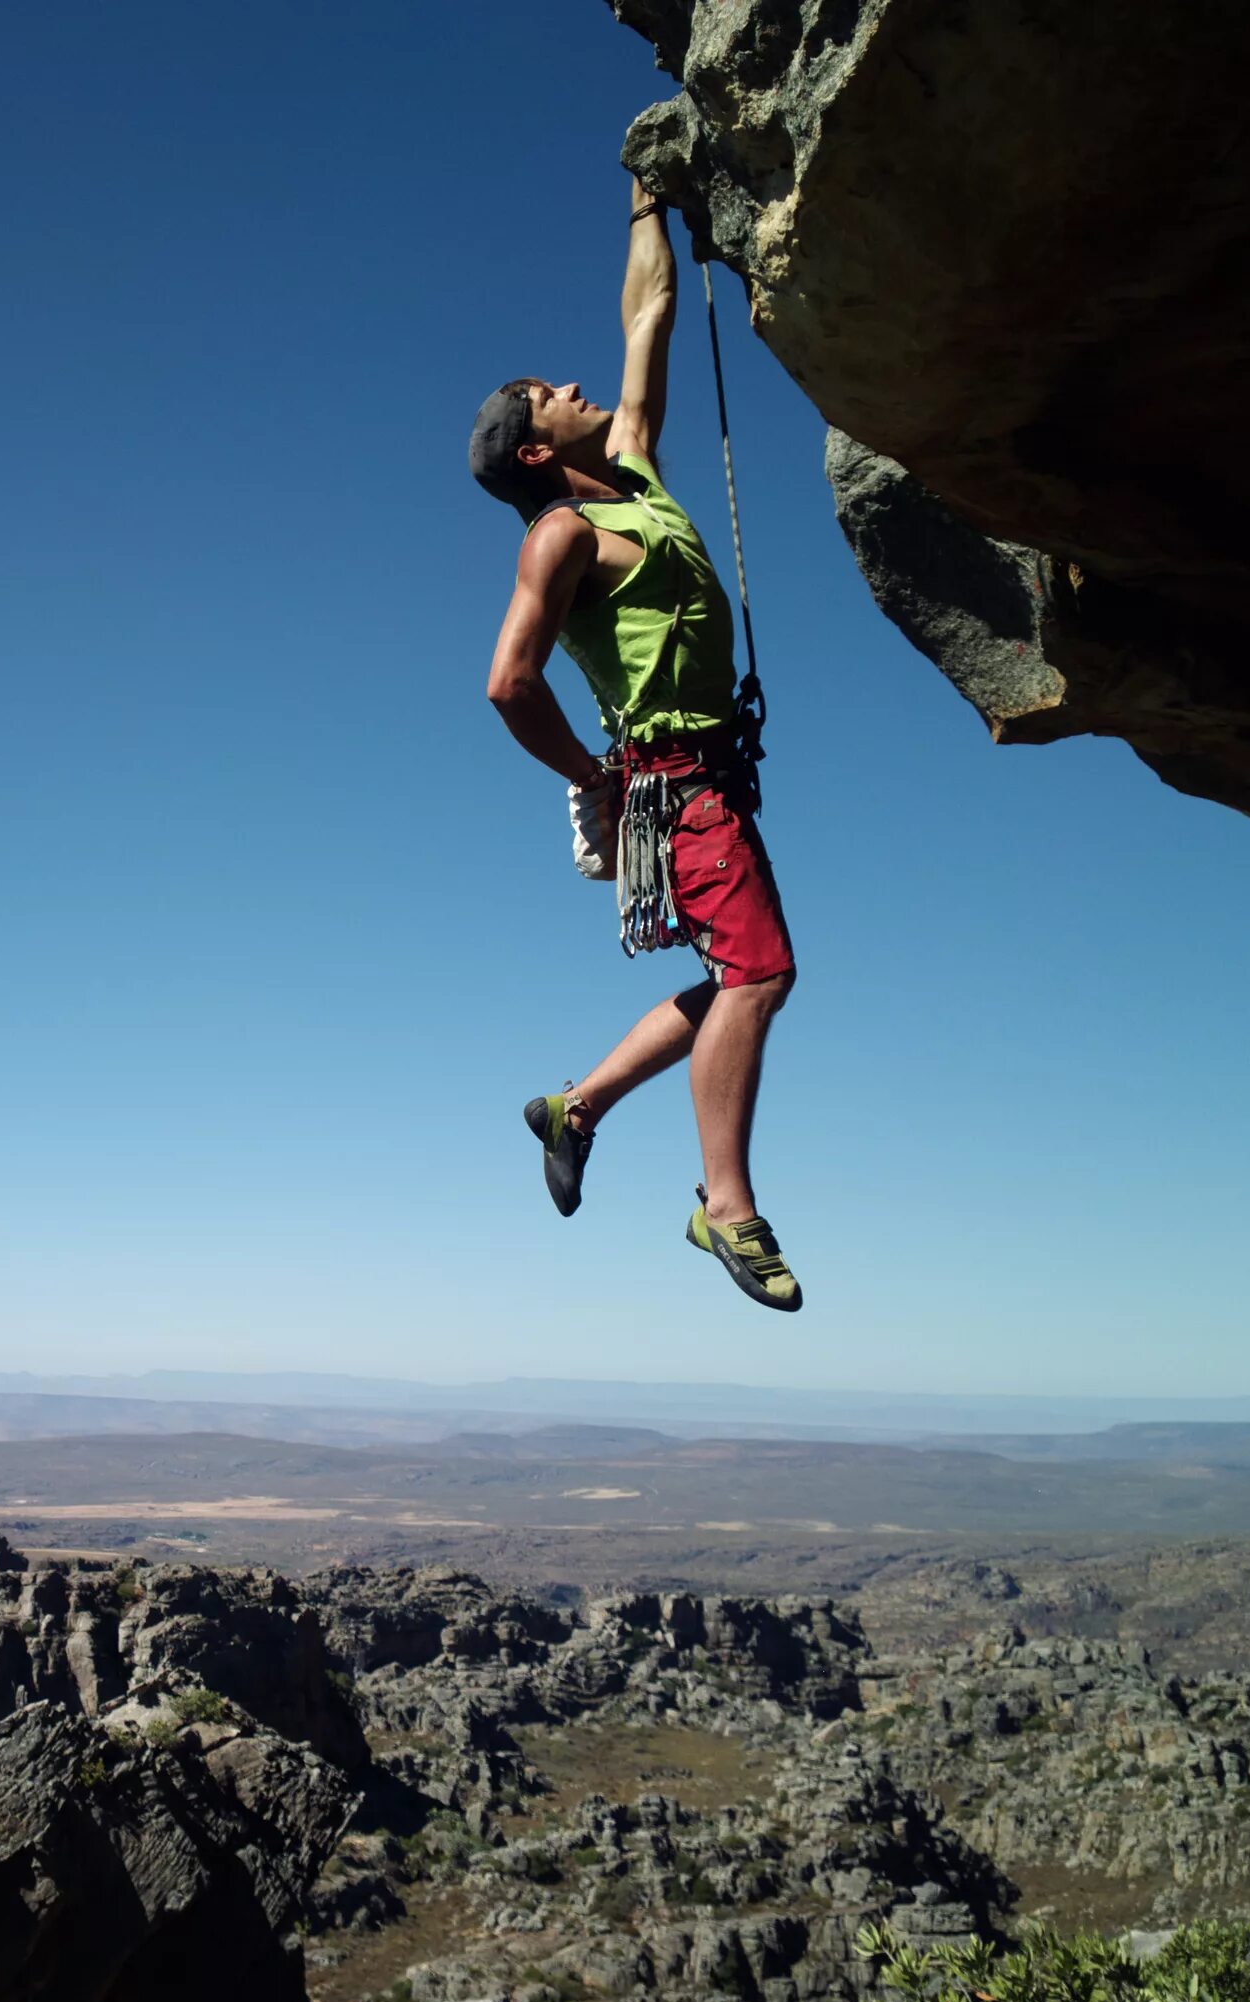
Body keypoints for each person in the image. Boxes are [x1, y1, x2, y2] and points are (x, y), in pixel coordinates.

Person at [466, 175, 802, 1313]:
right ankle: (726, 1202)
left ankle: (577, 1108)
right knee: (759, 972)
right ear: (529, 452)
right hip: (675, 782)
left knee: (739, 970)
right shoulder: (562, 533)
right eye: (544, 394)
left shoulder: (636, 477)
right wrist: (595, 773)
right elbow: (511, 683)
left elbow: (647, 319)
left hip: (707, 777)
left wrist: (642, 203)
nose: (572, 387)